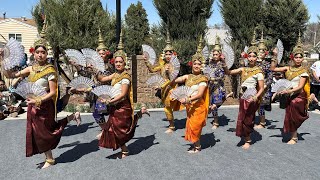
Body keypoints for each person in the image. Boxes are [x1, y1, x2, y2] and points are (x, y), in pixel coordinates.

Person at [3, 35, 80, 169]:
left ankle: (50, 158)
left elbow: (52, 92)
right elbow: (10, 75)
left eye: (43, 52)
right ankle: (49, 157)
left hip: (45, 106)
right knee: (37, 133)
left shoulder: (50, 70)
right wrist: (4, 60)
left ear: (46, 54)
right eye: (38, 52)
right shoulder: (30, 69)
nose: (40, 55)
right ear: (33, 53)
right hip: (33, 106)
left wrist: (38, 99)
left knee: (47, 132)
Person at [97, 32, 149, 158]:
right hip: (115, 106)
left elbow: (123, 94)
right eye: (116, 62)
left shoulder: (125, 77)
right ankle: (124, 149)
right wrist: (95, 69)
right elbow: (102, 79)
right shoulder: (115, 75)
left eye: (121, 62)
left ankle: (125, 150)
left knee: (121, 131)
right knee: (113, 129)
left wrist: (109, 101)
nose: (118, 64)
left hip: (123, 107)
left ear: (125, 63)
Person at [222, 32, 265, 150]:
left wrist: (255, 97)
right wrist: (224, 63)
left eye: (254, 56)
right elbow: (228, 72)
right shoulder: (243, 69)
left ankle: (248, 139)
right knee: (242, 117)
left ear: (257, 58)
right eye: (249, 56)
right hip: (243, 97)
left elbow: (261, 88)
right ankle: (245, 136)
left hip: (252, 98)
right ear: (247, 57)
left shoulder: (259, 72)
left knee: (248, 118)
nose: (251, 58)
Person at [270, 33, 310, 145]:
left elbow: (300, 87)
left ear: (303, 58)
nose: (298, 59)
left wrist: (287, 91)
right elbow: (273, 68)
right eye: (296, 57)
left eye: (300, 57)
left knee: (294, 117)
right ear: (293, 57)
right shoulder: (287, 68)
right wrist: (275, 55)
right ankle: (293, 136)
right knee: (289, 116)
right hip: (289, 96)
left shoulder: (304, 72)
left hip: (298, 97)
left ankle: (294, 137)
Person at [173, 37, 209, 153]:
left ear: (202, 66)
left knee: (195, 127)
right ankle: (195, 145)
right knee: (191, 126)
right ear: (191, 64)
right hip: (190, 107)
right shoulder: (188, 76)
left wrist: (187, 99)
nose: (196, 66)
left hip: (198, 107)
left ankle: (197, 147)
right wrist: (171, 73)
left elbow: (199, 94)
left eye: (199, 64)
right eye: (195, 64)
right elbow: (177, 79)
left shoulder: (203, 79)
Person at [143, 30, 180, 133]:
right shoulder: (162, 65)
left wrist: (161, 86)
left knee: (167, 107)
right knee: (167, 107)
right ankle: (172, 124)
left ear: (173, 55)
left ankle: (172, 126)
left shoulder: (176, 65)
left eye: (170, 54)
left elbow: (172, 80)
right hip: (164, 89)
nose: (168, 56)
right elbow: (152, 70)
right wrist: (146, 61)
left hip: (171, 88)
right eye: (167, 54)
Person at [207, 35, 227, 129]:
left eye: (216, 54)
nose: (215, 56)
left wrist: (213, 79)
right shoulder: (210, 63)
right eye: (214, 54)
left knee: (214, 105)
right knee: (209, 104)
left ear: (220, 55)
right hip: (210, 87)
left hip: (218, 87)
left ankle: (216, 122)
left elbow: (222, 76)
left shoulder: (221, 64)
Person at [255, 31, 273, 129]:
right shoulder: (254, 63)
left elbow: (270, 77)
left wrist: (265, 86)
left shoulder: (267, 64)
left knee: (261, 106)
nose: (260, 53)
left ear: (265, 53)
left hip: (264, 88)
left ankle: (262, 122)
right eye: (259, 51)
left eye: (262, 51)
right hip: (254, 87)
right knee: (254, 105)